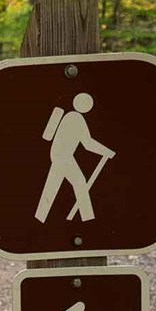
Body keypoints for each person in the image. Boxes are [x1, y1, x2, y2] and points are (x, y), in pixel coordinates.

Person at [35, 93, 115, 223]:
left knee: (52, 185)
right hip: (64, 158)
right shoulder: (77, 118)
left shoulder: (69, 116)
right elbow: (87, 143)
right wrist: (106, 152)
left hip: (58, 156)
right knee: (80, 182)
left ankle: (40, 217)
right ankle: (88, 219)